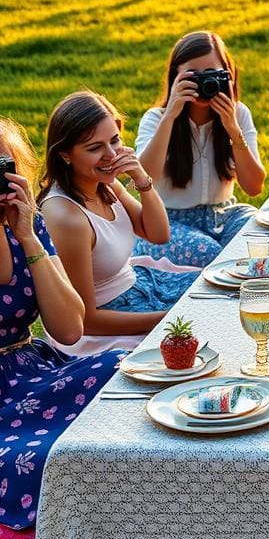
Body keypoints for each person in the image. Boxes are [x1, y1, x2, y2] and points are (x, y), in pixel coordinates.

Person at [0, 115, 121, 530]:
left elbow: (71, 329)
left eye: (3, 169)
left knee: (122, 373)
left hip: (28, 373)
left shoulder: (28, 224)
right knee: (46, 460)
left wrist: (29, 239)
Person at [38, 91, 198, 355]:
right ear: (65, 154)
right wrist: (167, 319)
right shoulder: (67, 217)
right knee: (197, 328)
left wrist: (140, 176)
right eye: (94, 147)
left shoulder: (104, 184)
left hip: (138, 287)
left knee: (214, 297)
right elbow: (86, 320)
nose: (111, 154)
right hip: (107, 322)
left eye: (114, 140)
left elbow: (158, 234)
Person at [135, 31, 266, 267]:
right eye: (193, 76)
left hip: (224, 214)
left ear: (228, 75)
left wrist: (232, 130)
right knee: (214, 256)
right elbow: (145, 178)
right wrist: (170, 118)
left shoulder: (238, 114)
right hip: (167, 223)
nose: (205, 83)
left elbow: (254, 187)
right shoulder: (156, 119)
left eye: (212, 74)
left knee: (259, 238)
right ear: (176, 77)